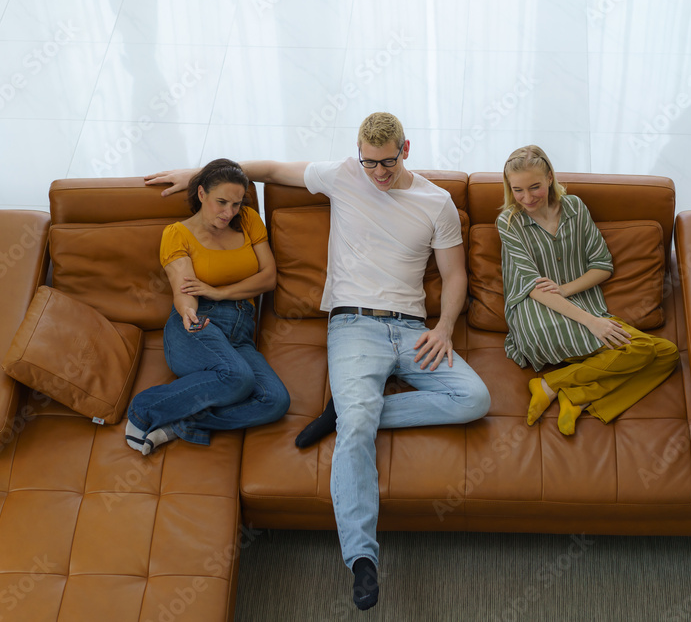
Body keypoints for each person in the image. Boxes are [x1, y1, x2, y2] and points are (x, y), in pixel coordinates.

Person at [144, 113, 491, 611]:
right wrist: (201, 175)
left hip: (414, 328)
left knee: (473, 399)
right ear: (358, 154)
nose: (378, 173)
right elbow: (271, 169)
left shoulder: (436, 202)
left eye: (387, 162)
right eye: (370, 162)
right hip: (354, 327)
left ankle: (351, 409)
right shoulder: (343, 175)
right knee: (358, 431)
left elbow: (454, 276)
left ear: (406, 149)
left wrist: (443, 328)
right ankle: (362, 558)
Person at [497, 145, 678, 436]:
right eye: (517, 190)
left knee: (668, 354)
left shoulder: (575, 208)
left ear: (550, 178)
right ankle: (569, 391)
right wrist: (593, 322)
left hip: (576, 304)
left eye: (535, 187)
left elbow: (602, 265)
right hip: (537, 315)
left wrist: (566, 289)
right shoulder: (508, 223)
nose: (527, 198)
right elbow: (533, 288)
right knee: (643, 348)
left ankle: (568, 392)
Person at [125, 158, 290, 456]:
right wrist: (188, 311)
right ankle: (143, 410)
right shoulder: (177, 234)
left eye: (236, 204)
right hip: (199, 325)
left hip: (240, 333)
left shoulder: (249, 219)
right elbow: (183, 287)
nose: (229, 213)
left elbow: (268, 277)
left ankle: (181, 425)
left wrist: (221, 291)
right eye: (221, 202)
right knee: (238, 378)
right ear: (201, 194)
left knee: (275, 400)